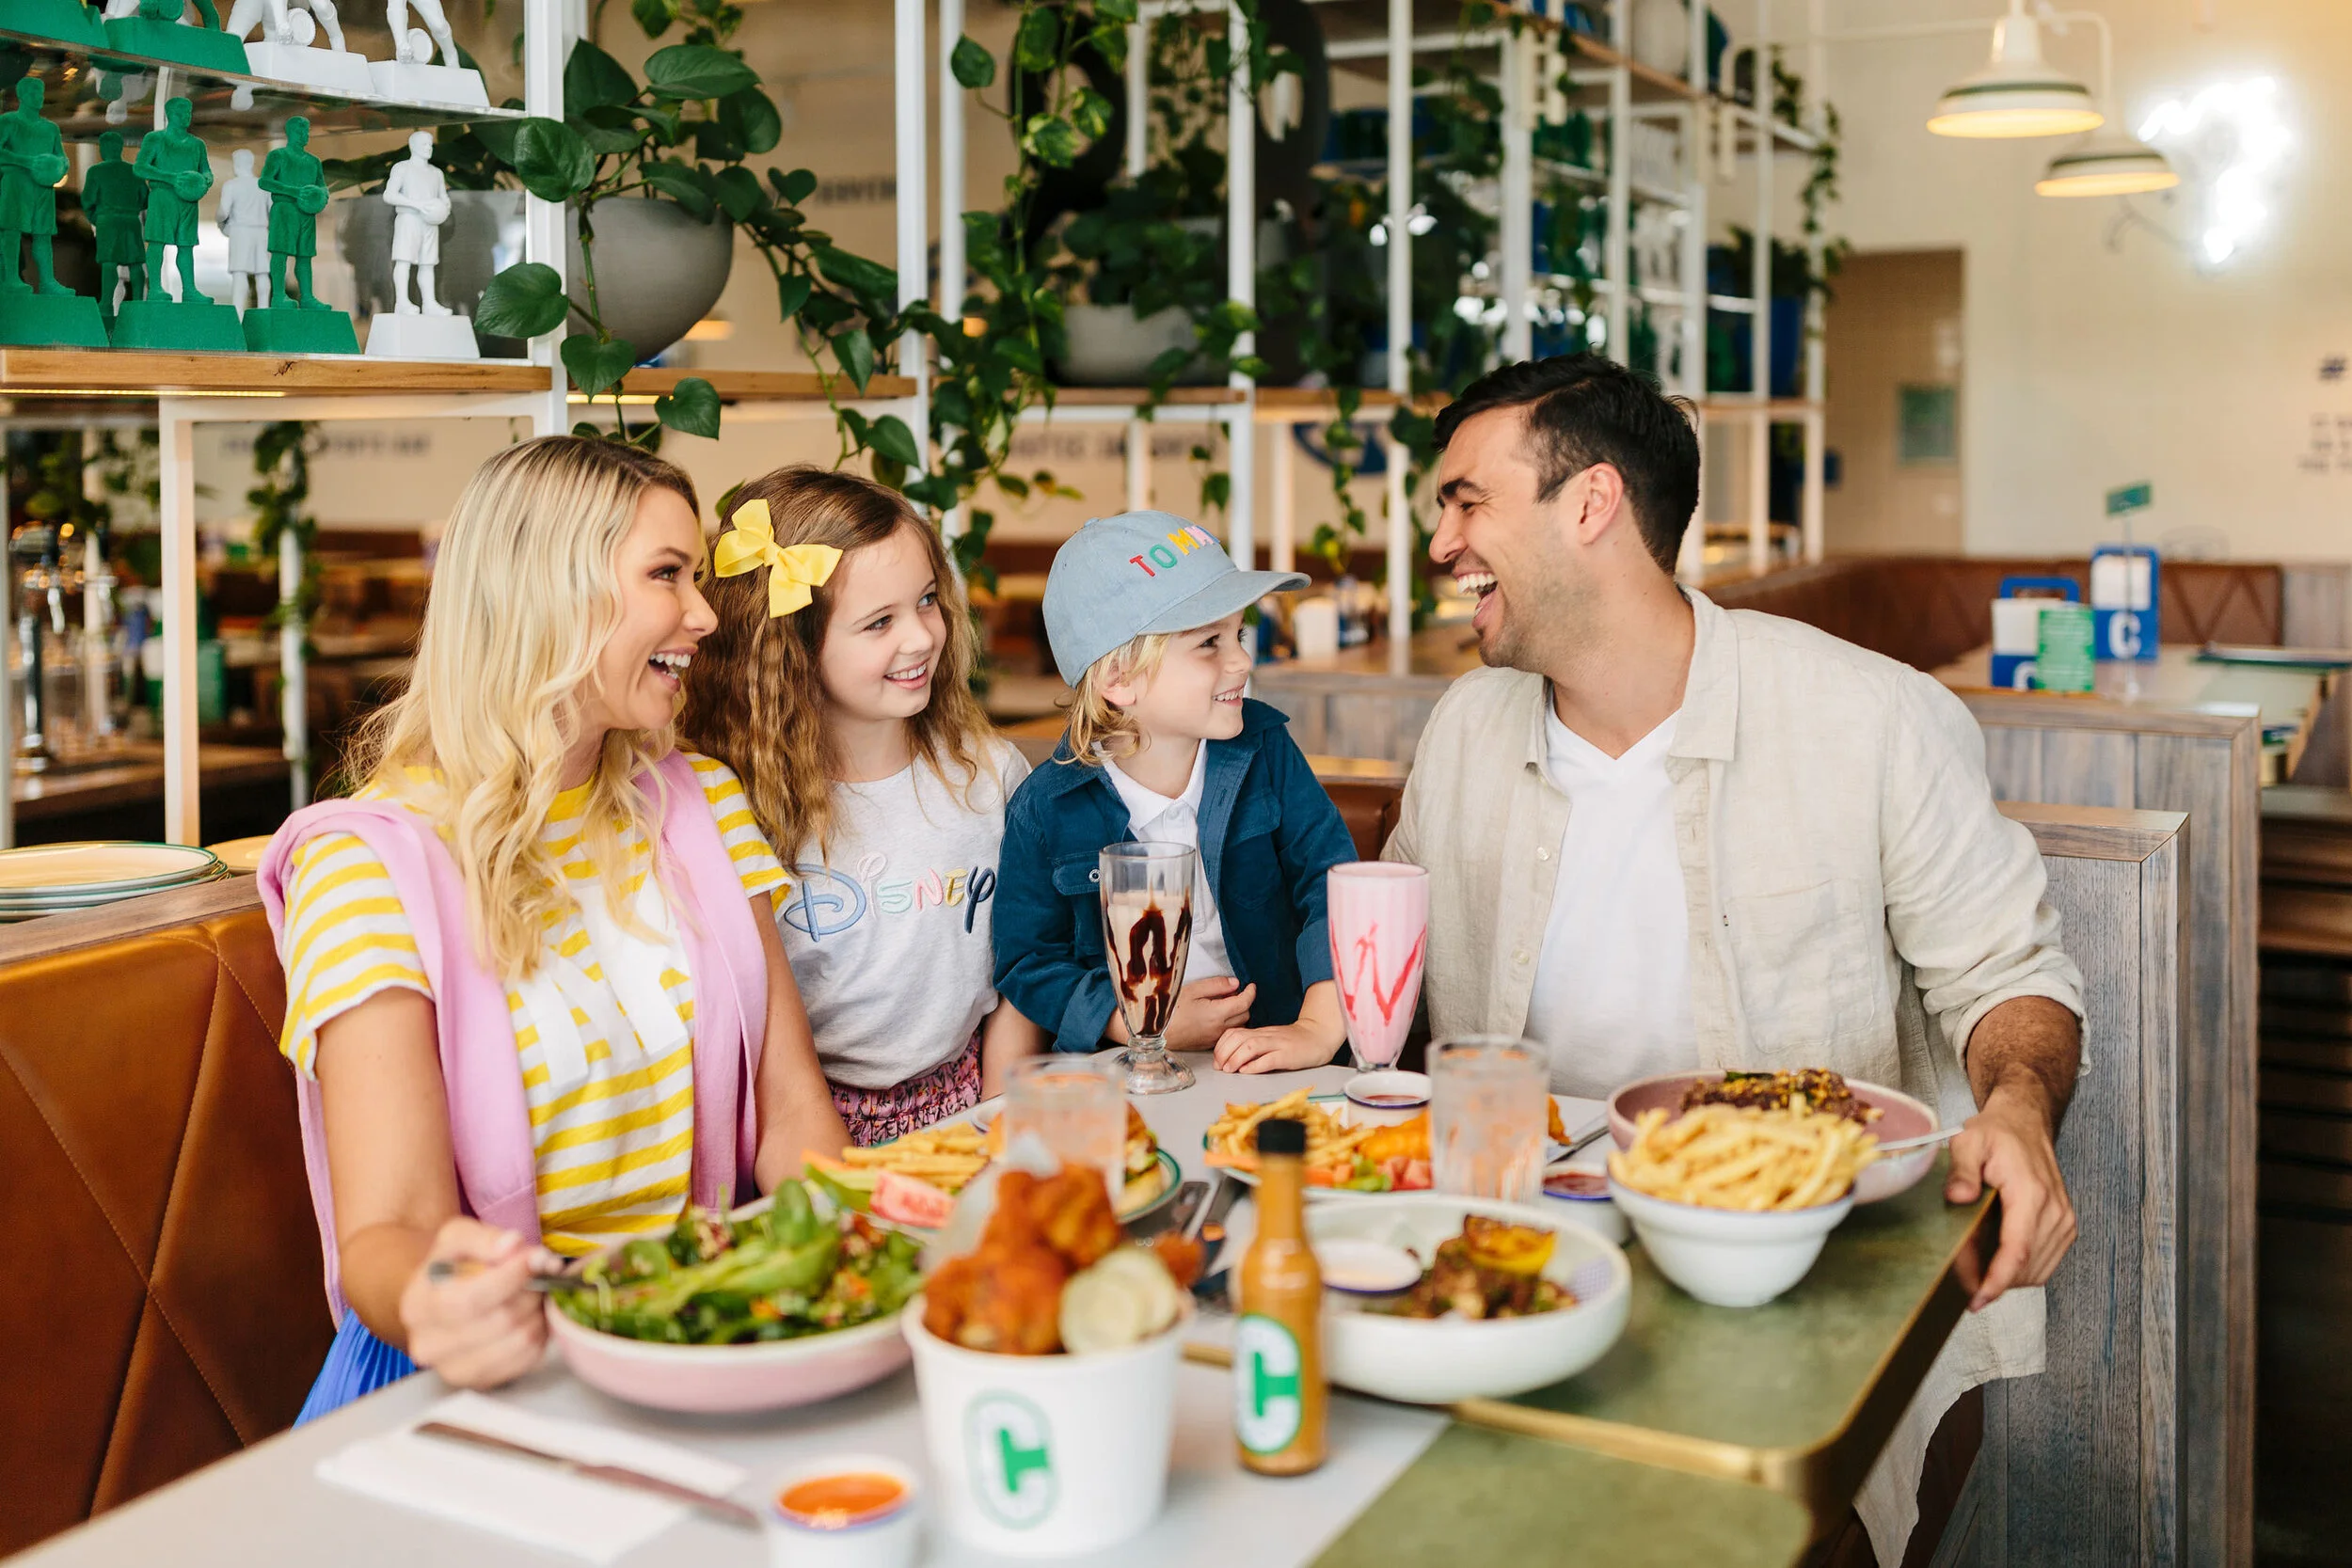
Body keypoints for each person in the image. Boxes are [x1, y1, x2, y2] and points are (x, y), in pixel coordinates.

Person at [1381, 353, 2085, 1562]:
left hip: (1804, 1287)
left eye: (1466, 500)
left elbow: (2008, 975)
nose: (1439, 541)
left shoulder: (1868, 718)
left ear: (1590, 503)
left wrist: (2017, 1107)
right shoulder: (1462, 732)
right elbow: (1380, 964)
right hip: (1521, 1269)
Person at [257, 437, 848, 1418]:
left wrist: (852, 1258)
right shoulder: (363, 864)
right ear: (548, 594)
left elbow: (791, 1112)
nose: (704, 613)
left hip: (688, 1329)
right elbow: (391, 1228)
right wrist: (438, 1299)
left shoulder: (702, 800)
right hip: (473, 1371)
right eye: (666, 574)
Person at [679, 467, 1042, 1145]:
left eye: (928, 600)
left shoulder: (991, 775)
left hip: (974, 1103)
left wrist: (998, 1118)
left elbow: (1026, 963)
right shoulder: (730, 806)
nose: (922, 637)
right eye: (879, 622)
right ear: (789, 647)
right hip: (804, 1127)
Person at [993, 511, 1359, 1073]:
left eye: (1237, 634)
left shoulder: (1266, 749)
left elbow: (1333, 885)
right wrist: (1137, 1020)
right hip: (1127, 1079)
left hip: (1275, 1066)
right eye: (1209, 642)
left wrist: (1315, 1029)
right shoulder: (1044, 809)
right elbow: (1029, 962)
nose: (1241, 660)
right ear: (1119, 679)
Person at [134, 95, 212, 306]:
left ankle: (189, 289)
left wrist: (206, 178)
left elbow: (205, 169)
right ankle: (155, 288)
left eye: (188, 112)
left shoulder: (197, 144)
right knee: (157, 242)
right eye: (181, 113)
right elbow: (140, 167)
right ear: (169, 115)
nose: (186, 116)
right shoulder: (156, 139)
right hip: (163, 197)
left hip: (188, 201)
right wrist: (171, 178)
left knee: (186, 245)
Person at [0, 77, 70, 297]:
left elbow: (62, 157)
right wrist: (26, 161)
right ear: (21, 96)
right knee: (12, 230)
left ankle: (48, 281)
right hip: (16, 182)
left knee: (43, 233)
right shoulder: (9, 122)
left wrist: (61, 166)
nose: (38, 97)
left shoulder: (50, 128)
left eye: (40, 93)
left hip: (43, 187)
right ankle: (11, 279)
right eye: (33, 93)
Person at [259, 116, 330, 310]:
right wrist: (294, 191)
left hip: (307, 213)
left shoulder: (314, 161)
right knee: (280, 253)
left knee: (305, 256)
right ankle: (278, 296)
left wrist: (322, 195)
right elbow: (264, 181)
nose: (304, 135)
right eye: (300, 131)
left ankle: (307, 296)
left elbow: (322, 186)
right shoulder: (278, 156)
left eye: (306, 131)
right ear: (289, 132)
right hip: (285, 209)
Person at [383, 131, 451, 316]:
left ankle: (429, 303)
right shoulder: (402, 168)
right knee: (404, 260)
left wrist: (444, 208)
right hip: (409, 219)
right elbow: (389, 195)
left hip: (430, 222)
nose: (428, 148)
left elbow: (443, 197)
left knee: (428, 264)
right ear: (412, 146)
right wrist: (417, 205)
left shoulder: (436, 173)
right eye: (424, 144)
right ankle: (402, 302)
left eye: (430, 144)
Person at [81, 130, 144, 324]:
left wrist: (96, 219)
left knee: (109, 263)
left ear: (103, 149)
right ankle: (138, 302)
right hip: (130, 221)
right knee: (135, 262)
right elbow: (145, 198)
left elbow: (87, 200)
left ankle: (107, 302)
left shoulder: (96, 171)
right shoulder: (134, 171)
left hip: (107, 221)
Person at [217, 148, 268, 312]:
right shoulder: (263, 186)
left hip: (240, 231)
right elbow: (272, 210)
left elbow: (223, 212)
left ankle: (238, 311)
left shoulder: (231, 185)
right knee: (262, 272)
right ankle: (264, 308)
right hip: (261, 231)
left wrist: (220, 222)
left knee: (240, 272)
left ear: (237, 164)